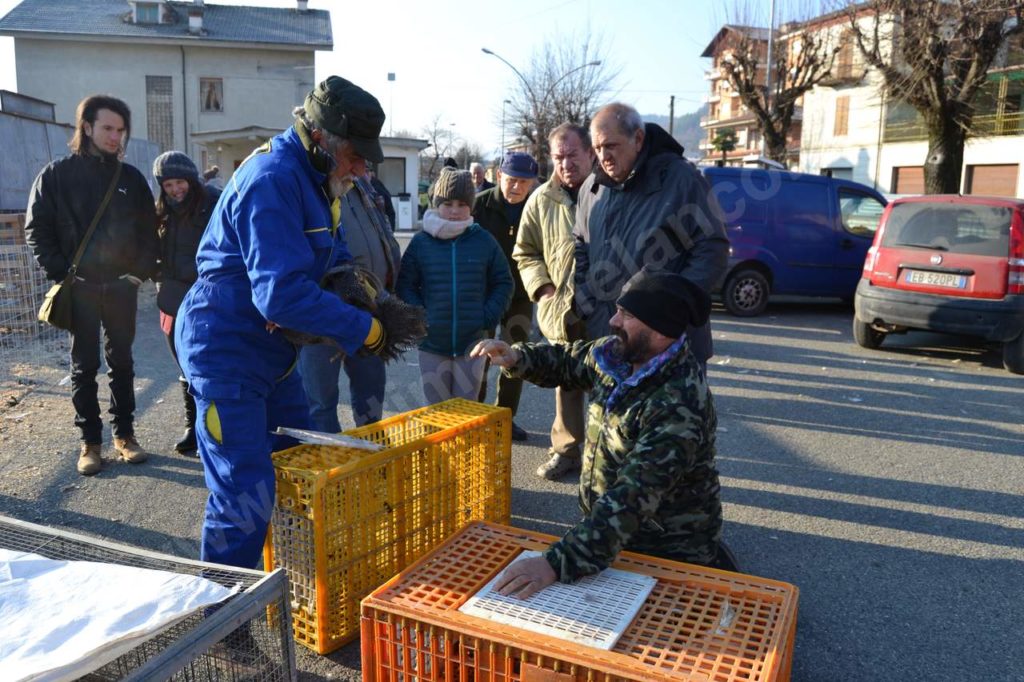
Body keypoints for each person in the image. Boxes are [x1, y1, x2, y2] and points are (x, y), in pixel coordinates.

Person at [174, 76, 390, 569]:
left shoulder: (317, 181)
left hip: (274, 356)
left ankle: (291, 577)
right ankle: (223, 617)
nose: (362, 168)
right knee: (244, 496)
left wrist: (366, 293)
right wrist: (363, 330)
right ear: (321, 138)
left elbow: (331, 256)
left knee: (295, 462)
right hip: (225, 351)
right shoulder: (273, 179)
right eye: (356, 155)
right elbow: (281, 296)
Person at [470, 270, 735, 599]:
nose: (613, 321)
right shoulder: (618, 355)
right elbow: (569, 359)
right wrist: (518, 357)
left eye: (627, 314)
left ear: (661, 330)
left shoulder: (679, 404)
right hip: (613, 538)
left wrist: (555, 563)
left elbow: (631, 501)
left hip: (666, 551)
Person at [25, 94, 159, 476]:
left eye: (121, 130)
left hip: (121, 287)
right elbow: (37, 229)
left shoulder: (131, 179)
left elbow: (150, 234)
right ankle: (91, 443)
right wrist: (61, 274)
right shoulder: (57, 175)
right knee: (84, 366)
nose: (116, 137)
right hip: (78, 286)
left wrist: (136, 275)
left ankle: (126, 436)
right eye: (108, 128)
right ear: (86, 127)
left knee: (123, 363)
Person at [574, 103, 729, 365]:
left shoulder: (682, 180)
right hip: (608, 339)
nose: (604, 156)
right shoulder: (591, 188)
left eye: (611, 145)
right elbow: (580, 243)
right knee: (607, 408)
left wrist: (669, 308)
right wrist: (588, 299)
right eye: (598, 149)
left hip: (668, 345)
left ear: (637, 139)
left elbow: (712, 248)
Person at [513, 124, 595, 479]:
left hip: (605, 309)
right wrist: (542, 287)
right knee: (566, 382)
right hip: (561, 310)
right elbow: (525, 251)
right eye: (558, 157)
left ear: (590, 152)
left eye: (572, 155)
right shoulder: (541, 198)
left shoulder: (611, 192)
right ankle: (566, 452)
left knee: (608, 381)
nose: (565, 164)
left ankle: (605, 459)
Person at [396, 168, 512, 404]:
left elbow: (503, 282)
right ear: (436, 203)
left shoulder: (484, 240)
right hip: (431, 343)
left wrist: (486, 317)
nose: (455, 211)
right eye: (448, 203)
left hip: (473, 345)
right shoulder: (421, 242)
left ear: (471, 205)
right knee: (436, 414)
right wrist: (420, 317)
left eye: (462, 204)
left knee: (464, 413)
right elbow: (405, 285)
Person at [298, 172, 401, 429]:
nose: (361, 164)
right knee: (320, 400)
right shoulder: (308, 186)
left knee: (371, 390)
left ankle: (370, 453)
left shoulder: (362, 185)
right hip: (320, 314)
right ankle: (330, 463)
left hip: (368, 306)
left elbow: (384, 232)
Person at [152, 151, 220, 456]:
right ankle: (193, 429)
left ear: (191, 179)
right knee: (184, 365)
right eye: (168, 185)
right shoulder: (161, 212)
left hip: (209, 297)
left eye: (179, 182)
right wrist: (156, 274)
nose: (175, 190)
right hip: (172, 300)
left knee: (213, 365)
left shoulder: (214, 202)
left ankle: (217, 430)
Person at [473, 151, 538, 441]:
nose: (516, 188)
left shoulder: (536, 207)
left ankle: (506, 418)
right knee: (480, 359)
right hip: (485, 294)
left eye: (524, 183)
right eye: (511, 180)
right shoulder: (480, 204)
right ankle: (475, 416)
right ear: (499, 176)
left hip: (521, 294)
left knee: (514, 356)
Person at [366, 163, 396, 230]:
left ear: (372, 173)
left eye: (367, 171)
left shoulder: (377, 188)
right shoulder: (374, 185)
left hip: (380, 228)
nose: (365, 174)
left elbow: (389, 211)